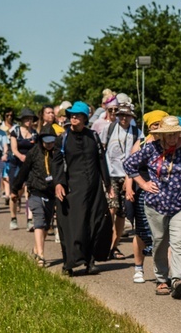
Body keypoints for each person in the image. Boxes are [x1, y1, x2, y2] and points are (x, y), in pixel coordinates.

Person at [123, 116, 181, 299]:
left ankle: (177, 279)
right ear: (162, 135)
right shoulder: (151, 148)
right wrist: (143, 184)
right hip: (156, 204)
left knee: (179, 241)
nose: (173, 138)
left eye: (176, 134)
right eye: (168, 135)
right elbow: (129, 164)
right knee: (160, 242)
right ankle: (161, 278)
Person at [52, 101, 112, 276]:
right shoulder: (62, 139)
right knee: (74, 225)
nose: (73, 118)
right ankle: (69, 263)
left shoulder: (93, 136)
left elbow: (102, 160)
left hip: (94, 189)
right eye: (71, 115)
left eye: (77, 115)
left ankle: (90, 261)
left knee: (95, 223)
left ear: (85, 118)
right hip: (72, 189)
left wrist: (107, 184)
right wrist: (58, 183)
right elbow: (56, 163)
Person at [125, 109, 167, 283]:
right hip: (142, 192)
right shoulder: (141, 144)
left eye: (161, 124)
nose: (158, 128)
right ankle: (138, 268)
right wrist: (129, 188)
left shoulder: (169, 144)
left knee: (163, 232)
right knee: (141, 231)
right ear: (149, 127)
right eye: (155, 124)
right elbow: (130, 168)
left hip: (164, 193)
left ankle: (163, 272)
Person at [12, 124, 57, 267]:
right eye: (46, 141)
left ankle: (37, 248)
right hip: (35, 191)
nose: (49, 144)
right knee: (39, 221)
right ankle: (41, 256)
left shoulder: (57, 153)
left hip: (51, 194)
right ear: (41, 139)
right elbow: (23, 172)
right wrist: (15, 189)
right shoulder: (33, 152)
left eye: (52, 141)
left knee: (46, 224)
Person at [103, 104, 141, 261]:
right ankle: (104, 244)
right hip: (111, 174)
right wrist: (104, 178)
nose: (124, 118)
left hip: (128, 175)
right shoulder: (109, 128)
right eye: (121, 115)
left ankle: (114, 246)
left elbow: (137, 157)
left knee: (121, 213)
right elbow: (102, 151)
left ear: (132, 117)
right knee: (111, 208)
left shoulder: (136, 132)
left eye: (127, 115)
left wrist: (130, 178)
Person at [8, 107, 39, 231]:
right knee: (15, 194)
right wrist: (22, 157)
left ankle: (30, 220)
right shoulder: (15, 131)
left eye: (30, 118)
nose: (28, 121)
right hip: (16, 164)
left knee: (29, 191)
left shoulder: (35, 133)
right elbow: (14, 149)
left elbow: (36, 149)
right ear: (22, 120)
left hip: (29, 165)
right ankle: (13, 218)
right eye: (26, 118)